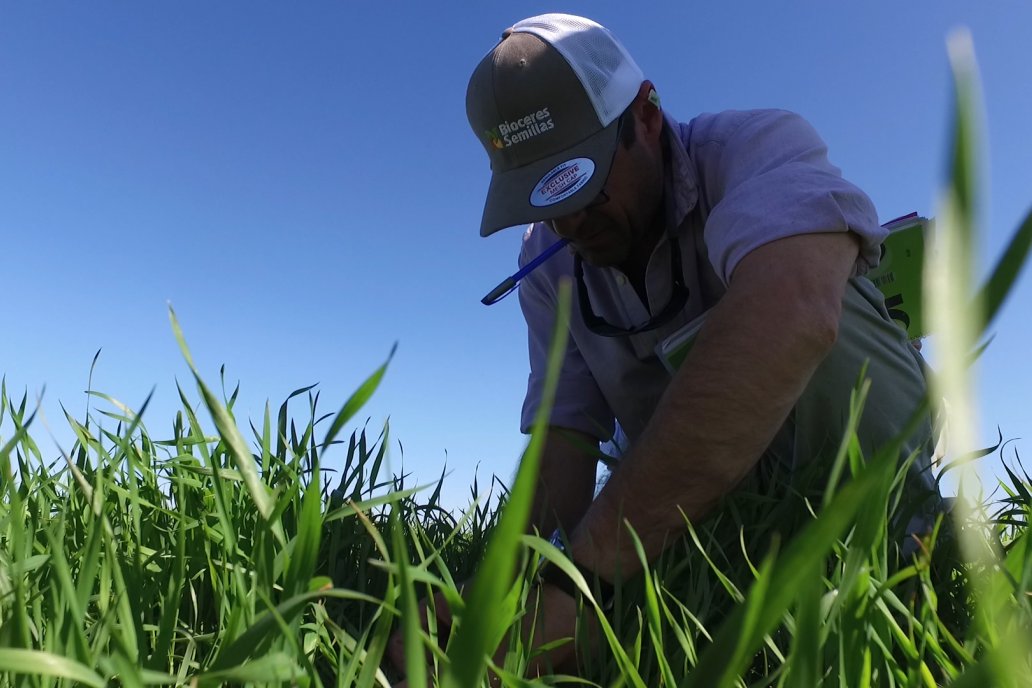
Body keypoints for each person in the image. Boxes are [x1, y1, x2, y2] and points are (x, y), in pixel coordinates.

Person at [390, 12, 941, 681]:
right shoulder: (546, 261)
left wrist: (586, 580)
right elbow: (564, 441)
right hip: (681, 514)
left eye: (575, 180)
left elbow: (797, 314)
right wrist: (504, 600)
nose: (567, 221)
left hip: (837, 472)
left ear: (646, 116)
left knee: (817, 298)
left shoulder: (757, 145)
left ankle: (904, 555)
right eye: (537, 197)